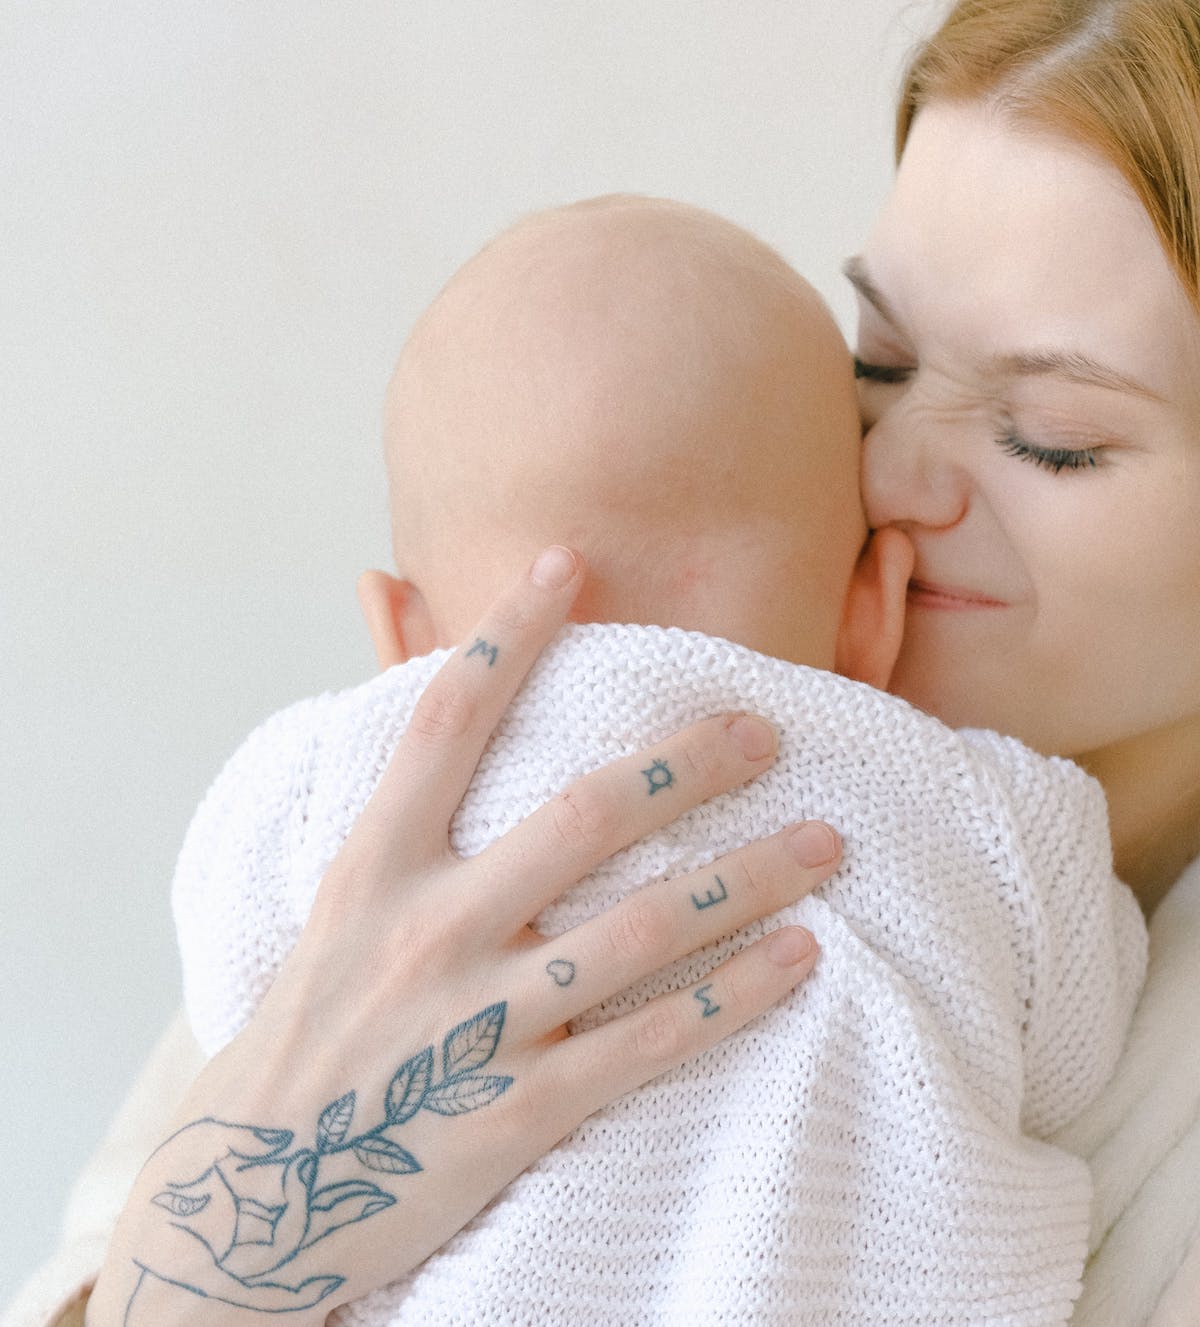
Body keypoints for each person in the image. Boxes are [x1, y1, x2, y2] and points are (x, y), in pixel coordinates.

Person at [8, 0, 1200, 1323]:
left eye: (1053, 436)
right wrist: (237, 1230)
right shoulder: (423, 843)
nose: (888, 469)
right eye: (882, 362)